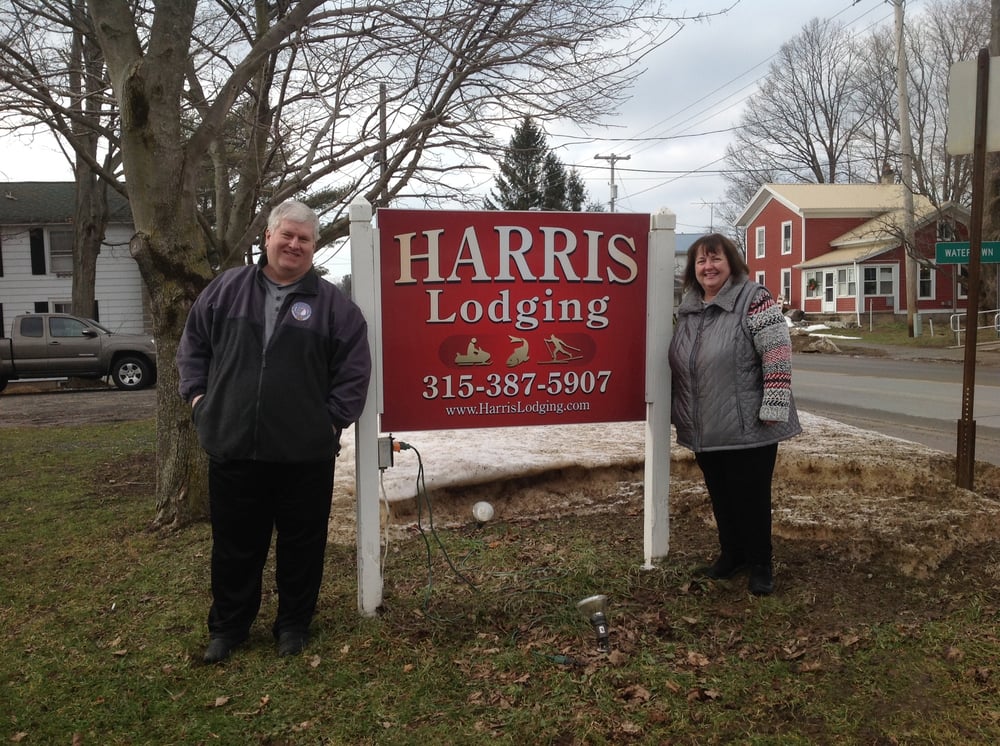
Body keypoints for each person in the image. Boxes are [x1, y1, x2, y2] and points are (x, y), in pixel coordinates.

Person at [176, 199, 372, 662]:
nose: (294, 244)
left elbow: (354, 374)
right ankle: (228, 629)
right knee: (235, 546)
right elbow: (193, 348)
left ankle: (293, 625)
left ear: (314, 247)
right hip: (234, 446)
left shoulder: (333, 307)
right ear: (267, 237)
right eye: (286, 235)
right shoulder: (226, 290)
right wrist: (201, 402)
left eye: (304, 239)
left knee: (302, 547)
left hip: (305, 454)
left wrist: (328, 423)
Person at [667, 233, 801, 596]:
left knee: (751, 496)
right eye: (700, 261)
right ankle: (732, 555)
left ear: (731, 263)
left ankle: (761, 563)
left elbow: (777, 351)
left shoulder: (754, 299)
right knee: (721, 493)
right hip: (704, 422)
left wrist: (774, 403)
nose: (708, 267)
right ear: (692, 270)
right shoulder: (690, 307)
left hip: (749, 422)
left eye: (715, 259)